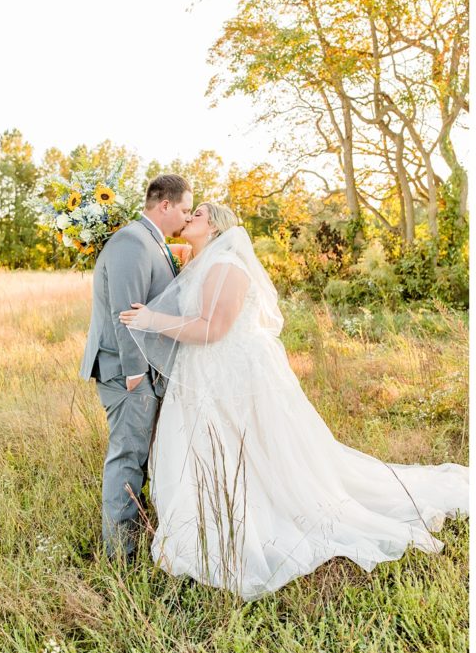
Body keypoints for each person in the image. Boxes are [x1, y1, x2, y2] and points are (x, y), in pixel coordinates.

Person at [118, 202, 469, 600]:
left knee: (252, 451)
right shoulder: (205, 261)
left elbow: (214, 329)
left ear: (214, 225)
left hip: (231, 373)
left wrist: (151, 320)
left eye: (196, 214)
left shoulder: (228, 266)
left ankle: (250, 519)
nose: (188, 219)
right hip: (208, 373)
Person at [79, 173, 193, 559]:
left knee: (139, 455)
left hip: (143, 371)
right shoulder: (131, 241)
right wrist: (133, 373)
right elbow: (124, 312)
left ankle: (134, 534)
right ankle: (118, 554)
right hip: (126, 372)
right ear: (165, 206)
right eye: (184, 210)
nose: (186, 218)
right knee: (127, 457)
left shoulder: (152, 242)